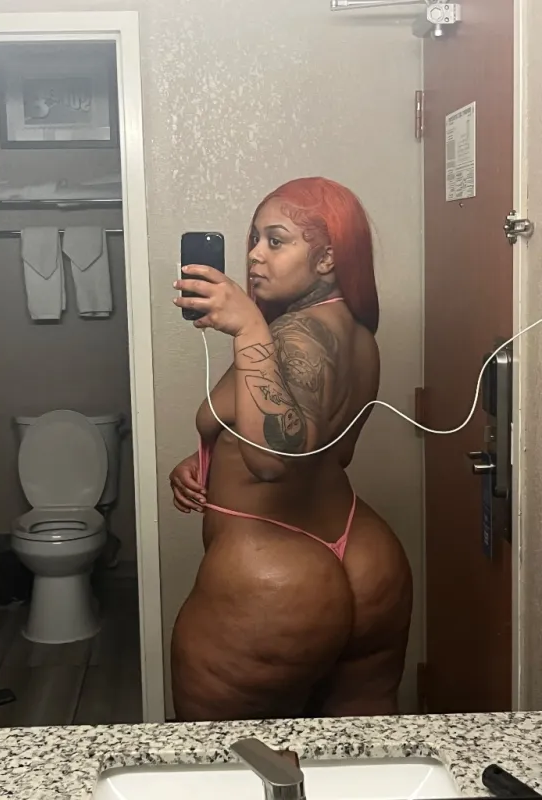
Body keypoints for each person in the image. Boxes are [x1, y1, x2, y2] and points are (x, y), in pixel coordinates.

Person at [170, 177, 412, 721]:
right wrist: (210, 458)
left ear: (326, 259)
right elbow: (333, 451)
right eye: (254, 238)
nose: (255, 254)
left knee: (223, 755)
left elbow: (274, 460)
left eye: (276, 241)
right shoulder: (356, 333)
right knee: (363, 753)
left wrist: (248, 328)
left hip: (277, 573)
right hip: (367, 557)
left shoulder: (288, 335)